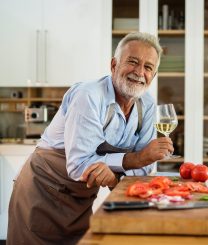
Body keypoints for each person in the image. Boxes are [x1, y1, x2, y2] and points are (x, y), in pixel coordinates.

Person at [7, 32, 174, 244]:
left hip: (81, 198)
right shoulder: (89, 96)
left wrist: (118, 176)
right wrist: (137, 158)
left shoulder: (147, 105)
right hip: (42, 191)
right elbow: (79, 165)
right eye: (132, 62)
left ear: (154, 75)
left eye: (148, 67)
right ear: (114, 65)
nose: (139, 72)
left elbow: (143, 168)